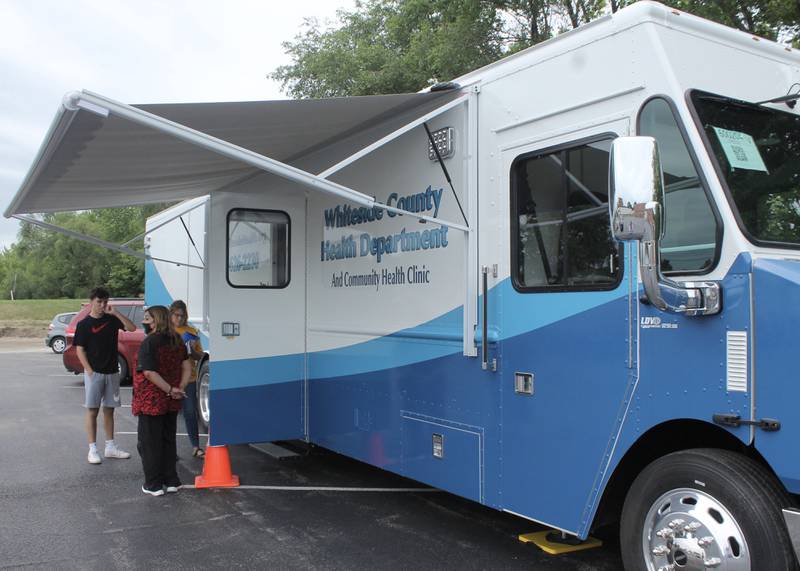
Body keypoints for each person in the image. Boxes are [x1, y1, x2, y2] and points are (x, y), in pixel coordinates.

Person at [132, 305, 190, 496]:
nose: (145, 322)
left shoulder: (150, 342)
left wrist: (169, 389)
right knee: (167, 440)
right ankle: (172, 480)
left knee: (149, 442)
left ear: (156, 320)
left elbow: (148, 372)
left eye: (147, 319)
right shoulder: (177, 340)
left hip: (152, 400)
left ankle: (153, 484)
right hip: (171, 401)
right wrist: (179, 389)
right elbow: (187, 367)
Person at [74, 286, 136, 464]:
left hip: (112, 372)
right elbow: (80, 350)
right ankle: (92, 449)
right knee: (92, 410)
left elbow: (131, 328)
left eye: (105, 302)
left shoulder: (112, 320)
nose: (102, 305)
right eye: (99, 301)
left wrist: (116, 313)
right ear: (92, 301)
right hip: (94, 373)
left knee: (109, 410)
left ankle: (110, 447)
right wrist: (89, 370)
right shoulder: (84, 325)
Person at [169, 300, 205, 458]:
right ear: (170, 314)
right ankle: (170, 450)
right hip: (169, 379)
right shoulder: (166, 331)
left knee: (190, 413)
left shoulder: (191, 331)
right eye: (176, 315)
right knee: (169, 415)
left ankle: (196, 447)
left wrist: (191, 350)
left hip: (189, 378)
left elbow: (200, 356)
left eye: (182, 316)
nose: (179, 319)